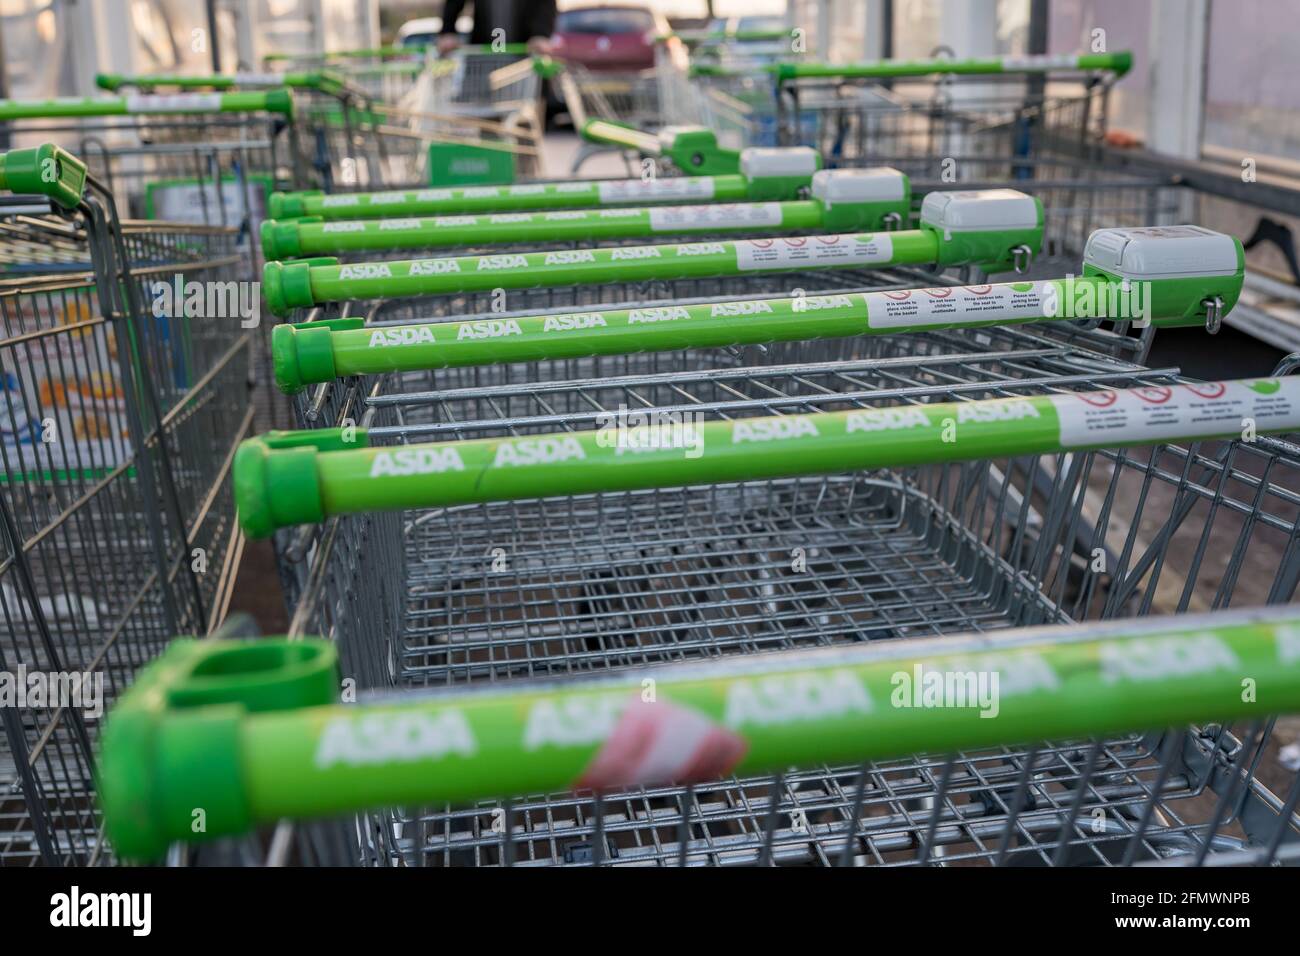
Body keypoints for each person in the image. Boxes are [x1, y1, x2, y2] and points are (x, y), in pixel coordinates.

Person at [437, 0, 558, 56]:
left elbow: (545, 5)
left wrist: (541, 34)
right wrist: (448, 32)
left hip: (523, 58)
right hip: (483, 58)